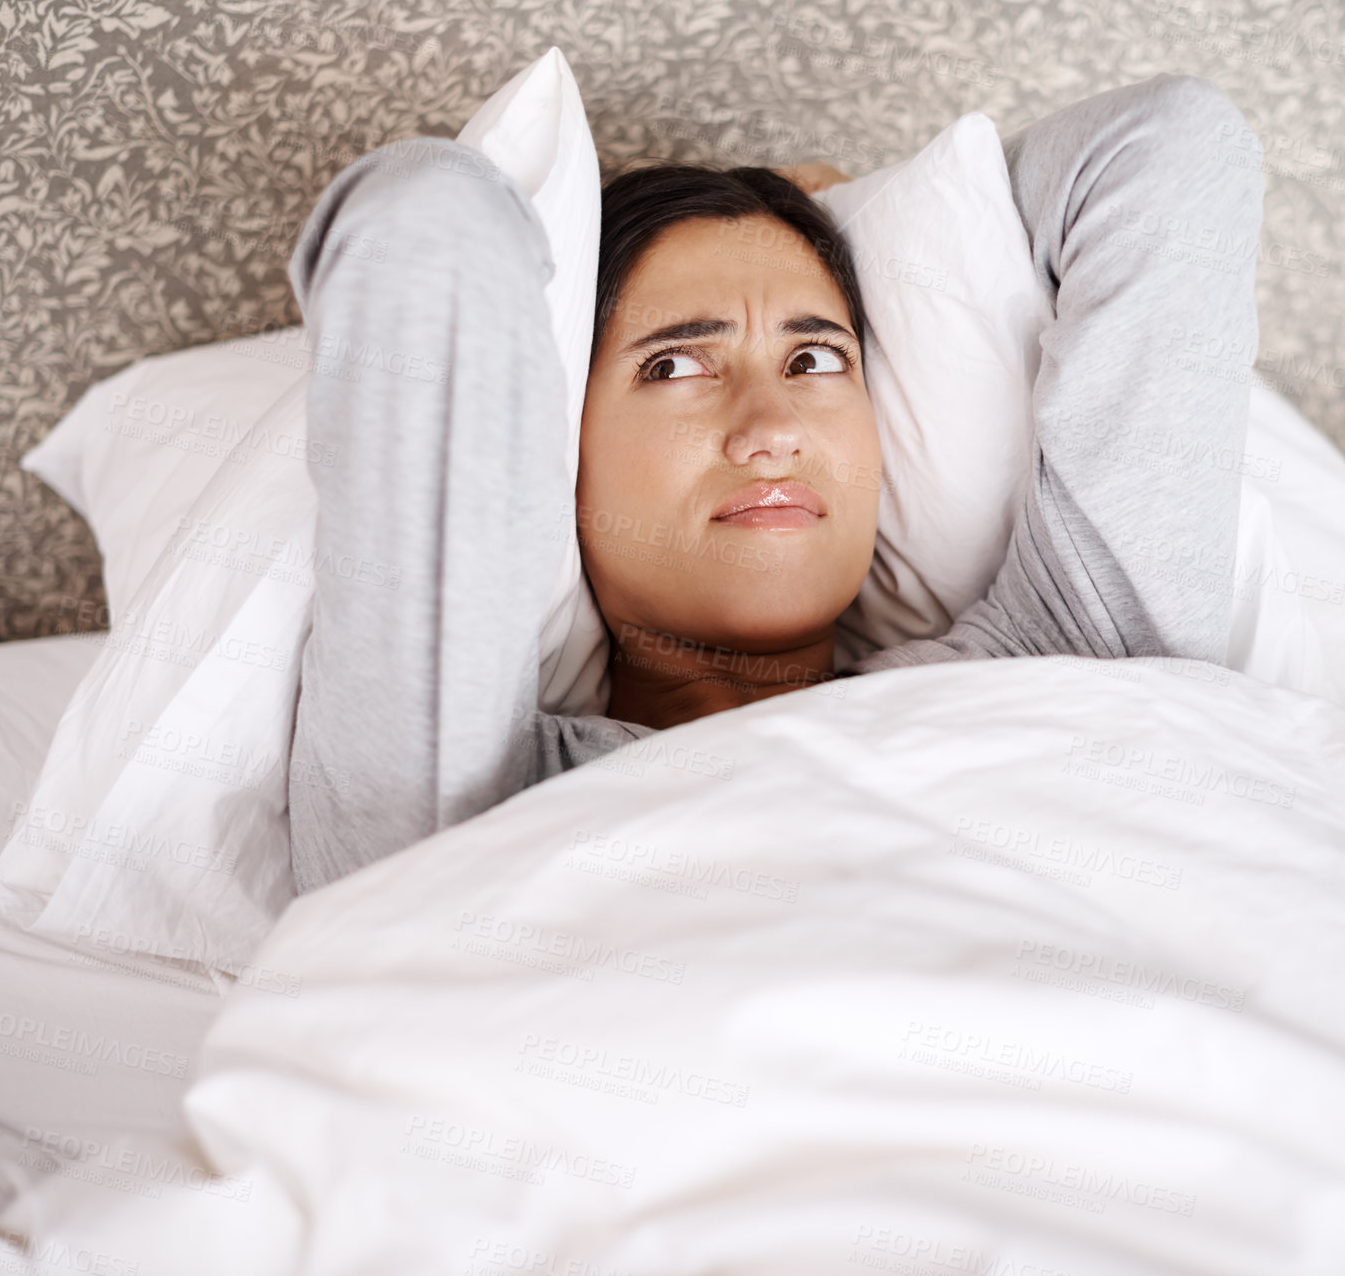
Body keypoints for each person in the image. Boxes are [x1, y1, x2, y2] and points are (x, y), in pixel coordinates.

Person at [285, 72, 1265, 894]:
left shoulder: (1072, 666)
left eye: (815, 361)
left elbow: (1173, 148)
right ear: (556, 449)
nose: (772, 432)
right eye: (674, 366)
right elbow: (424, 223)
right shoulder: (454, 805)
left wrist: (854, 211)